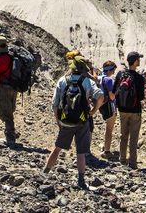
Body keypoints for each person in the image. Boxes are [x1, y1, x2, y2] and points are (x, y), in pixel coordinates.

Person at [44, 56, 104, 190]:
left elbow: (54, 104)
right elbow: (100, 96)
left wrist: (58, 120)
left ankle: (45, 173)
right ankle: (81, 180)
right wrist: (93, 111)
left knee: (57, 147)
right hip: (82, 121)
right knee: (81, 152)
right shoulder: (88, 81)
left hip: (65, 121)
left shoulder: (63, 80)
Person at [114, 51, 146, 169]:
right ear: (136, 61)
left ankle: (122, 160)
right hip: (135, 110)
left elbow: (115, 91)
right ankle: (132, 162)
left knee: (123, 135)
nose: (140, 61)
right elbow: (142, 97)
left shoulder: (120, 74)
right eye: (139, 59)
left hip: (122, 109)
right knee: (134, 137)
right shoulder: (139, 78)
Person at [0, 36, 19, 146]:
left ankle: (10, 138)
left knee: (5, 113)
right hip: (14, 87)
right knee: (10, 110)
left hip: (4, 88)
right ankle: (10, 132)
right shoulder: (12, 57)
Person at [98, 60, 118, 160]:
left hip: (101, 105)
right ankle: (106, 151)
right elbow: (112, 96)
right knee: (109, 129)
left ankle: (105, 146)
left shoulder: (98, 78)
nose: (114, 71)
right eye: (113, 69)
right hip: (109, 106)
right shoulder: (109, 80)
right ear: (110, 70)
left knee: (107, 128)